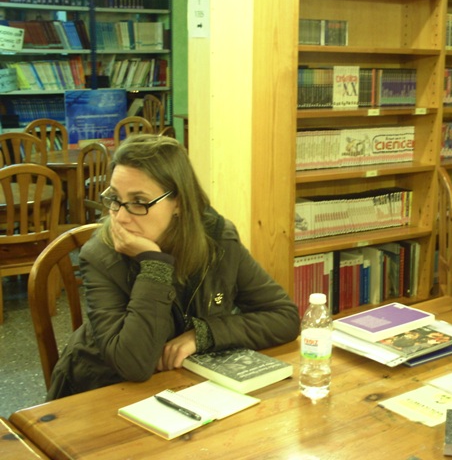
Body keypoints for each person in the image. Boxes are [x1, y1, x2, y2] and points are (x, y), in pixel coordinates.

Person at [47, 135, 300, 400]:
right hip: (100, 390)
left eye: (139, 201)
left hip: (183, 384)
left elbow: (284, 317)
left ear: (178, 202)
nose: (121, 217)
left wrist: (201, 335)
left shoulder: (218, 239)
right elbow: (133, 364)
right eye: (115, 199)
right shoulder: (101, 255)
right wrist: (154, 265)